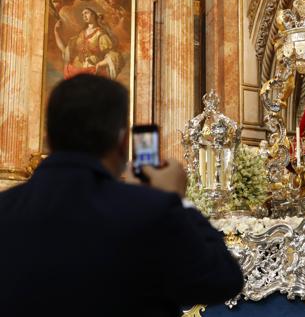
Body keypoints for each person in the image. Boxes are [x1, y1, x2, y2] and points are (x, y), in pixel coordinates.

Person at [0, 74, 244, 316]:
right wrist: (176, 199)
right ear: (122, 141)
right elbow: (222, 279)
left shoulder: (5, 208)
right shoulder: (148, 211)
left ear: (47, 138)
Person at [54, 8, 124, 79]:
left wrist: (99, 64)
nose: (84, 16)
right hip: (74, 72)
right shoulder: (80, 35)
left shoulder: (100, 34)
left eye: (86, 13)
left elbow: (113, 55)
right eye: (82, 14)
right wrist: (56, 32)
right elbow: (65, 50)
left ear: (94, 15)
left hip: (92, 72)